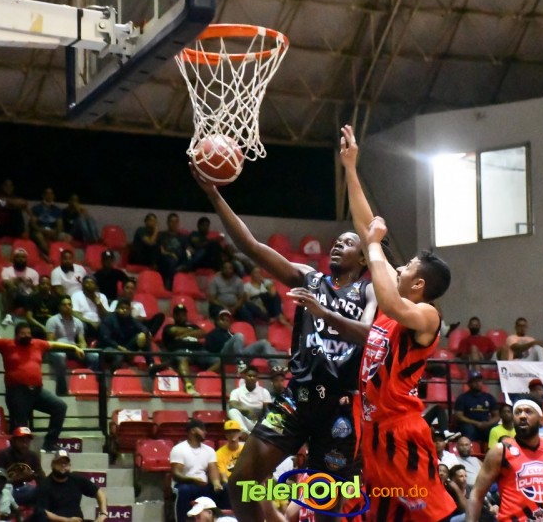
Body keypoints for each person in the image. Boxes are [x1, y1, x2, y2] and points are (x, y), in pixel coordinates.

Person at [195, 142, 377, 521]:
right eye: (336, 241)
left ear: (363, 257)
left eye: (347, 243)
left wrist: (324, 313)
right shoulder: (310, 278)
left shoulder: (370, 290)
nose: (337, 245)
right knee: (242, 482)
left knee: (325, 508)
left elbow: (370, 336)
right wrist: (213, 194)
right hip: (298, 397)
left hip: (341, 407)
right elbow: (250, 246)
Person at [341, 123, 456, 521]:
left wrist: (374, 244)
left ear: (419, 284)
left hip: (401, 433)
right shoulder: (401, 292)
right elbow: (366, 229)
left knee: (433, 516)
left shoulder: (426, 315)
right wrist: (350, 168)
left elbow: (388, 300)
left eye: (406, 267)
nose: (399, 268)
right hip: (373, 432)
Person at [0, 323, 85, 451]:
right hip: (17, 392)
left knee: (60, 406)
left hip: (37, 391)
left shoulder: (38, 344)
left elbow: (55, 344)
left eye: (28, 333)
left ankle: (50, 444)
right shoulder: (6, 344)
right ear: (16, 334)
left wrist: (74, 347)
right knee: (21, 426)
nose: (26, 336)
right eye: (23, 333)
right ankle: (21, 453)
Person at [466, 399, 543, 522]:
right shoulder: (501, 451)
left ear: (541, 419)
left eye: (528, 411)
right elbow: (476, 495)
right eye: (518, 412)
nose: (522, 416)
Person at [170, 419, 225, 522]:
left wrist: (216, 483)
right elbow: (176, 474)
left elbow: (213, 470)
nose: (205, 432)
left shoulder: (209, 450)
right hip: (184, 483)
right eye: (202, 429)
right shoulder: (179, 449)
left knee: (224, 488)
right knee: (184, 490)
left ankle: (222, 519)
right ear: (193, 430)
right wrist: (193, 480)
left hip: (203, 484)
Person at [33, 449, 108, 522]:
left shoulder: (77, 479)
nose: (63, 465)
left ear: (69, 465)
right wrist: (66, 520)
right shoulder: (45, 484)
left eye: (65, 463)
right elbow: (43, 512)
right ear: (53, 464)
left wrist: (103, 513)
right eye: (59, 462)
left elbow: (99, 493)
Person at [203, 309, 284, 374]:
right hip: (224, 356)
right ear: (217, 321)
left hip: (238, 355)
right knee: (239, 335)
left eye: (227, 321)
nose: (225, 322)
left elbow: (240, 346)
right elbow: (210, 350)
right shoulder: (212, 334)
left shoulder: (231, 334)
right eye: (222, 320)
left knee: (263, 342)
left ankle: (275, 366)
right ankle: (240, 363)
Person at [0, 427, 45, 506]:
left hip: (25, 490)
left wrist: (34, 476)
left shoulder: (32, 456)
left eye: (27, 441)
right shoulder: (1, 456)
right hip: (5, 492)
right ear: (13, 441)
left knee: (43, 491)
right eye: (21, 440)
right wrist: (21, 478)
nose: (25, 444)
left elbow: (41, 478)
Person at [96, 298, 152, 371]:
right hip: (110, 347)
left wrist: (144, 333)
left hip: (125, 346)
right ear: (117, 309)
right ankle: (111, 374)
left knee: (144, 339)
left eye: (127, 309)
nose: (125, 310)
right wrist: (121, 349)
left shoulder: (129, 318)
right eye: (122, 308)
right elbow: (106, 339)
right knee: (119, 356)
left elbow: (143, 327)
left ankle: (151, 365)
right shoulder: (109, 319)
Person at [453, 371, 499, 442]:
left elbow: (497, 416)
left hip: (485, 424)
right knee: (468, 429)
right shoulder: (463, 398)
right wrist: (476, 423)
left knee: (495, 428)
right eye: (474, 381)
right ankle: (470, 448)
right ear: (469, 384)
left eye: (479, 381)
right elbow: (459, 416)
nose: (477, 383)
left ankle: (494, 448)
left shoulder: (489, 397)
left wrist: (488, 424)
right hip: (470, 424)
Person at [0, 248, 40, 327]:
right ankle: (8, 316)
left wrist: (30, 284)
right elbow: (5, 283)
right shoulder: (7, 270)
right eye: (18, 257)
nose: (21, 259)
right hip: (15, 296)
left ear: (26, 259)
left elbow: (37, 290)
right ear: (14, 258)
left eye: (23, 257)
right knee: (7, 290)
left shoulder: (33, 272)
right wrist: (17, 280)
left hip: (29, 296)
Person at [226, 367, 272, 435]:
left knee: (272, 418)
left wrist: (259, 416)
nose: (252, 378)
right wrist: (246, 411)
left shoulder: (264, 392)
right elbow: (232, 404)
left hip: (259, 422)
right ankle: (245, 433)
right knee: (232, 411)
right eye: (249, 376)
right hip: (244, 421)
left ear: (257, 378)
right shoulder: (236, 391)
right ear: (244, 377)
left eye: (254, 376)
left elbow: (268, 409)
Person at [71, 275, 110, 341]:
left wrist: (99, 305)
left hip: (100, 323)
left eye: (92, 282)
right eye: (87, 282)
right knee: (81, 325)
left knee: (107, 326)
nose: (89, 284)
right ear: (83, 285)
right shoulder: (76, 295)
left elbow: (106, 316)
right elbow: (75, 313)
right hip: (85, 322)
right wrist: (90, 322)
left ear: (96, 285)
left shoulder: (102, 296)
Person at [29, 187, 64, 259]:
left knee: (65, 237)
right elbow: (33, 224)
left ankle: (63, 256)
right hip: (40, 231)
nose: (49, 195)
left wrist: (55, 231)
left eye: (51, 194)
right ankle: (51, 256)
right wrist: (42, 230)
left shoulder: (57, 210)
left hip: (53, 231)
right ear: (43, 195)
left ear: (53, 196)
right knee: (39, 236)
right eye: (47, 193)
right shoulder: (36, 208)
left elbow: (60, 224)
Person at [157, 212, 189, 290]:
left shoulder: (183, 237)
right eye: (172, 221)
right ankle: (169, 287)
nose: (174, 224)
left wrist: (189, 255)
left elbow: (186, 251)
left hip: (179, 260)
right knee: (170, 261)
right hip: (166, 260)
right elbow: (160, 250)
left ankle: (179, 268)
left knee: (192, 258)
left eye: (176, 222)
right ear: (168, 223)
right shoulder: (161, 235)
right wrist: (171, 254)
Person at [215, 420, 244, 484]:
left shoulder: (246, 450)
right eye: (229, 432)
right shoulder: (219, 454)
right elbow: (223, 477)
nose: (232, 434)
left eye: (235, 431)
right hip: (230, 483)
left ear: (240, 433)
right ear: (225, 435)